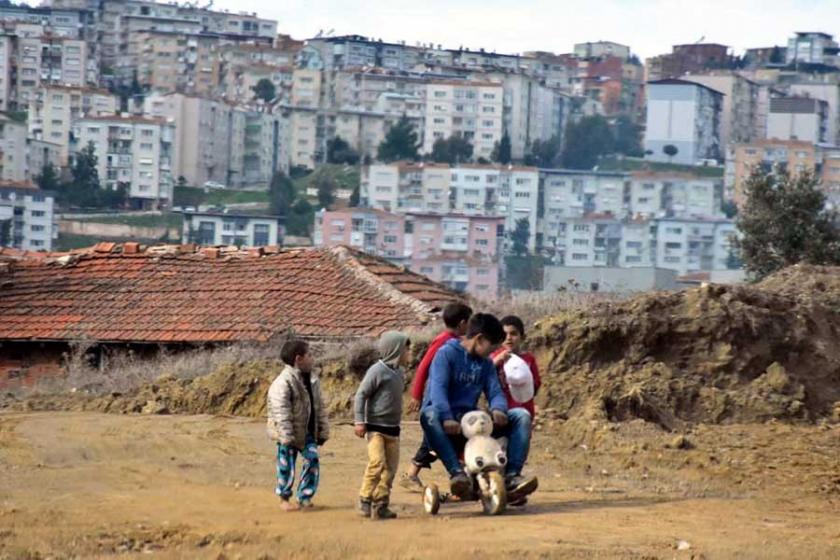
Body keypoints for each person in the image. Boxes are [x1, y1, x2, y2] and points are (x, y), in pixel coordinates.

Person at [420, 313, 538, 500]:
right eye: (492, 347)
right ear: (479, 339)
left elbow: (495, 390)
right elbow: (437, 390)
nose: (493, 352)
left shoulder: (485, 364)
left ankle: (512, 476)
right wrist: (448, 417)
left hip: (470, 421)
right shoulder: (446, 355)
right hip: (445, 422)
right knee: (429, 414)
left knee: (521, 415)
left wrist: (499, 408)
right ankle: (457, 474)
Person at [400, 302, 473, 492]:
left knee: (441, 440)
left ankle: (462, 474)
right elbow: (423, 366)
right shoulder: (443, 340)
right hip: (436, 402)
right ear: (463, 323)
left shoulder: (456, 342)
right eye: (469, 323)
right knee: (433, 440)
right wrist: (416, 395)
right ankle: (411, 475)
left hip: (449, 401)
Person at [266, 339, 330, 511]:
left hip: (307, 432)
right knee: (286, 465)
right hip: (289, 432)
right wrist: (286, 435)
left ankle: (305, 496)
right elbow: (281, 412)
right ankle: (284, 498)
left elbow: (319, 407)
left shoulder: (313, 380)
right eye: (309, 355)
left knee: (312, 460)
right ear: (298, 359)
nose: (312, 359)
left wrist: (323, 430)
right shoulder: (283, 383)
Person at [354, 331, 411, 520]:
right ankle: (365, 498)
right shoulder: (377, 371)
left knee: (391, 470)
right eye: (406, 350)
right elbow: (361, 394)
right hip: (375, 427)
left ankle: (381, 503)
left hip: (393, 429)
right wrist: (360, 421)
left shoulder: (400, 372)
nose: (409, 353)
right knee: (377, 463)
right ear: (395, 350)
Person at [491, 316, 542, 419]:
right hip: (501, 411)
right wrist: (498, 360)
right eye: (505, 334)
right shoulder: (495, 357)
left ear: (522, 337)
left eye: (513, 334)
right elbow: (484, 374)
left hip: (524, 410)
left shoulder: (528, 359)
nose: (508, 338)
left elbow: (535, 384)